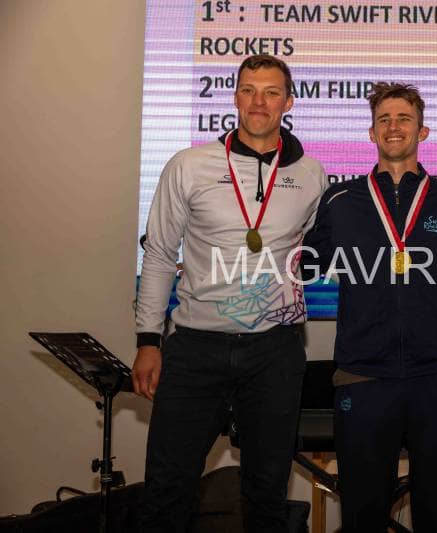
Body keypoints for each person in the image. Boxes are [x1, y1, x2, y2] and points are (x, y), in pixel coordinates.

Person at [132, 54, 327, 532]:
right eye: (248, 90)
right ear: (235, 97)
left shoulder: (312, 174)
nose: (259, 102)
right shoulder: (189, 165)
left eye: (271, 92)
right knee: (166, 489)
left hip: (274, 353)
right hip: (195, 349)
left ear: (289, 102)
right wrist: (148, 340)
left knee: (267, 495)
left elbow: (313, 253)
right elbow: (159, 253)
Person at [301, 83, 437, 532]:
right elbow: (303, 265)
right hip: (363, 374)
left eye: (404, 119)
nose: (394, 127)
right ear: (372, 133)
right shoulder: (340, 201)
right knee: (362, 511)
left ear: (423, 131)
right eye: (384, 120)